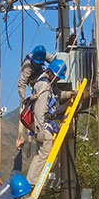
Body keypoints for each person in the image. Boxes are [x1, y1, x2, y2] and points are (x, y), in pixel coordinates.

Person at [26, 57, 74, 187]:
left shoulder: (47, 84)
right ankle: (31, 181)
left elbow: (58, 94)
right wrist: (40, 130)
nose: (58, 80)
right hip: (42, 124)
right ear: (52, 73)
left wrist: (70, 94)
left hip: (43, 123)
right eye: (58, 77)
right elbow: (39, 110)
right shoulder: (44, 86)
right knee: (45, 151)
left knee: (43, 152)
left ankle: (34, 180)